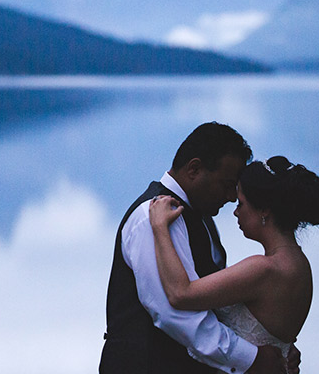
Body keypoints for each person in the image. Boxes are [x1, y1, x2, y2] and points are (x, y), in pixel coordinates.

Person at [98, 122, 297, 374]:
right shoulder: (154, 217)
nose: (232, 197)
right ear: (194, 169)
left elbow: (215, 304)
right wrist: (252, 358)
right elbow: (173, 314)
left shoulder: (201, 218)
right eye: (226, 184)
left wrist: (273, 347)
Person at [149, 156, 319, 370]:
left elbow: (181, 294)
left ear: (264, 209)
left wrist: (160, 228)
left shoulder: (265, 269)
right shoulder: (300, 266)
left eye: (241, 203)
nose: (236, 212)